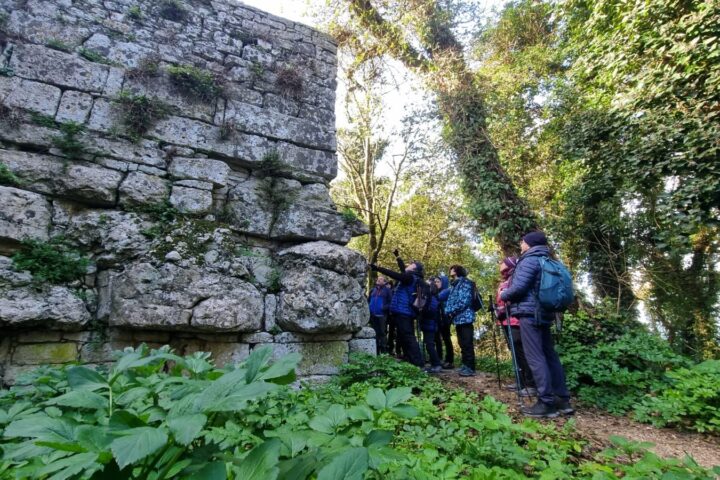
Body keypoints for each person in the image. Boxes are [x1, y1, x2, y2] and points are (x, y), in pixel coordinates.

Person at [500, 231, 574, 418]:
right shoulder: (549, 260)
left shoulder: (529, 260)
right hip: (545, 313)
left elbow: (518, 288)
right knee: (549, 355)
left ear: (530, 244)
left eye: (523, 242)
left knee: (535, 356)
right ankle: (562, 400)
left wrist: (504, 295)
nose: (521, 244)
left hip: (529, 314)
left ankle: (546, 402)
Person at [370, 249, 424, 367]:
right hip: (403, 312)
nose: (408, 265)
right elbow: (402, 269)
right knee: (404, 337)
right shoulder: (411, 277)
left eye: (411, 265)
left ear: (414, 269)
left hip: (404, 312)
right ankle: (411, 361)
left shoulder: (410, 278)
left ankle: (418, 364)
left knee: (408, 337)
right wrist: (397, 256)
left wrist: (378, 268)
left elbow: (395, 274)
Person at [496, 257, 537, 397]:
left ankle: (530, 384)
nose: (502, 270)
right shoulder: (507, 281)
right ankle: (520, 381)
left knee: (521, 352)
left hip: (516, 320)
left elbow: (513, 297)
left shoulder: (517, 279)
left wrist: (501, 310)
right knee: (514, 353)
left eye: (504, 267)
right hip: (506, 321)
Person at [444, 265, 476, 377]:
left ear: (457, 271)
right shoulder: (454, 284)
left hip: (465, 317)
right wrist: (449, 310)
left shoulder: (465, 283)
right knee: (462, 343)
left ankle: (470, 367)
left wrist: (450, 310)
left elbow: (464, 301)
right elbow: (452, 300)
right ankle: (465, 364)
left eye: (452, 269)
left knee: (467, 343)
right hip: (458, 318)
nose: (450, 271)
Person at [420, 279, 443, 373]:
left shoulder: (432, 299)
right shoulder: (430, 298)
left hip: (430, 325)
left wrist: (422, 310)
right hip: (428, 324)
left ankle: (436, 364)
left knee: (429, 344)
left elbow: (430, 312)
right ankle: (434, 364)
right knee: (428, 344)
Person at [368, 276, 392, 354]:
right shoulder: (372, 290)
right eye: (378, 278)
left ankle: (384, 352)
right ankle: (376, 351)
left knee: (382, 333)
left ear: (384, 282)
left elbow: (391, 302)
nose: (378, 279)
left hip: (382, 315)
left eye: (381, 279)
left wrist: (383, 308)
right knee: (375, 333)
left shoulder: (387, 290)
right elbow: (369, 301)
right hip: (373, 315)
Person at [435, 275, 454, 368]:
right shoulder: (439, 292)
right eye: (435, 282)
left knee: (446, 338)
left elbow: (438, 298)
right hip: (439, 318)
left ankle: (449, 360)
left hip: (445, 318)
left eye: (438, 282)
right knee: (437, 339)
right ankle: (439, 358)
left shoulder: (446, 290)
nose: (436, 283)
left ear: (443, 282)